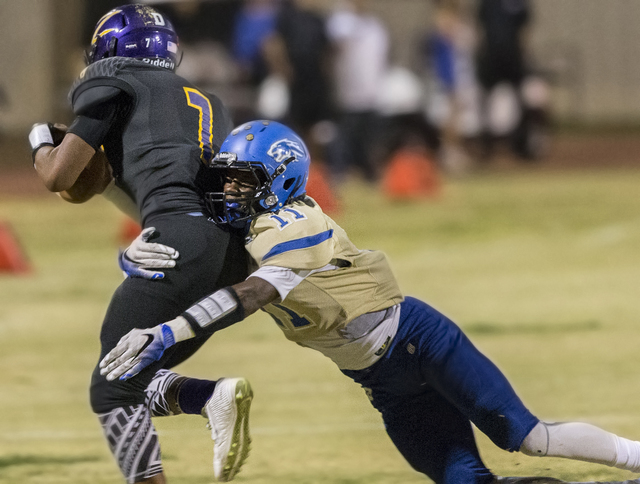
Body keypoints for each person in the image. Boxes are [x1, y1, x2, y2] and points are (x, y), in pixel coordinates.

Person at [99, 120, 640, 484]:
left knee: (527, 437)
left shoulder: (297, 222)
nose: (229, 193)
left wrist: (167, 332)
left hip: (419, 342)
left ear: (279, 179)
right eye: (227, 181)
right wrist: (141, 255)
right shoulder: (244, 235)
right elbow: (194, 260)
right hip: (381, 381)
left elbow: (252, 293)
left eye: (242, 183)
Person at [28, 5, 252, 483]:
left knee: (112, 389)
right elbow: (108, 183)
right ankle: (206, 398)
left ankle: (209, 398)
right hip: (233, 256)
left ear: (106, 49)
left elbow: (58, 176)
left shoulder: (113, 84)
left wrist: (39, 140)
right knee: (135, 374)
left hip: (176, 244)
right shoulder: (208, 102)